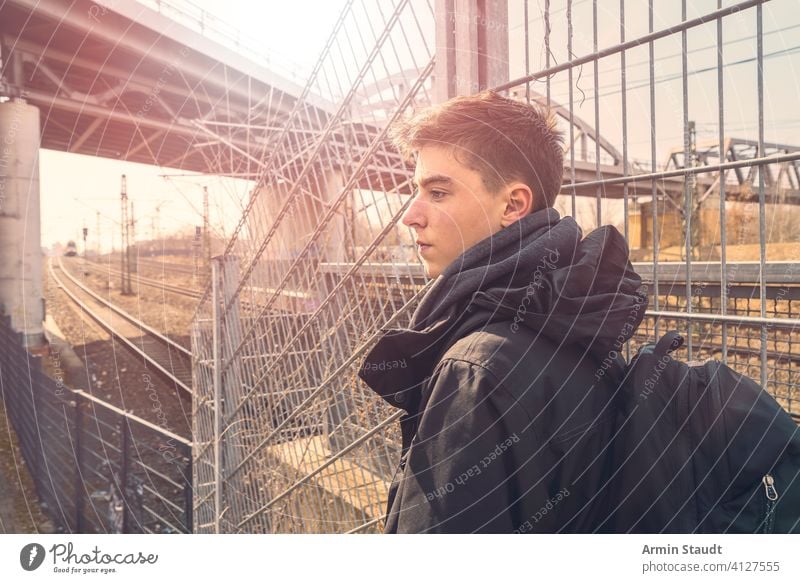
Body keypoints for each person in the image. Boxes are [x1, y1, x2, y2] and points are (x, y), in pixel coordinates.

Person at [358, 90, 647, 533]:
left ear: (513, 205)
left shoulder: (476, 369)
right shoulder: (573, 318)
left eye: (437, 191)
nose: (411, 215)